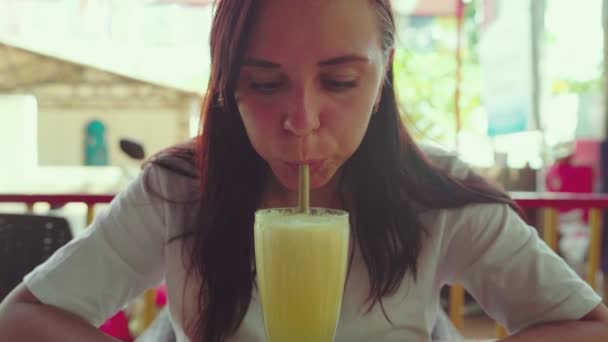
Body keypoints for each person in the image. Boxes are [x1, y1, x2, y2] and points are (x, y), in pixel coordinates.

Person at [1, 0, 608, 341]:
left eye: (341, 81)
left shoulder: (436, 197)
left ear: (384, 74)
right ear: (226, 85)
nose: (302, 121)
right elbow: (24, 318)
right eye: (264, 83)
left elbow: (585, 327)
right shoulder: (180, 192)